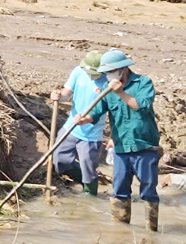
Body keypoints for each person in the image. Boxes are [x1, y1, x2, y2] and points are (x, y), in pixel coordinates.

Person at [74, 49, 161, 231]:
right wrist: (84, 118)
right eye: (105, 72)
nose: (107, 75)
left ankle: (151, 232)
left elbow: (142, 106)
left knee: (148, 191)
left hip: (145, 146)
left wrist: (121, 92)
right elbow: (97, 112)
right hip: (122, 148)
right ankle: (120, 232)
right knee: (119, 190)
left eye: (110, 71)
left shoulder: (143, 83)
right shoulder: (108, 90)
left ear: (122, 69)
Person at [50, 51, 107, 195]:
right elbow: (67, 92)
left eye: (94, 73)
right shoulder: (78, 71)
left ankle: (90, 195)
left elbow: (108, 108)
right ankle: (82, 179)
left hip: (91, 134)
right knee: (59, 160)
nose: (90, 76)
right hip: (71, 127)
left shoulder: (108, 82)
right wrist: (58, 96)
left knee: (88, 167)